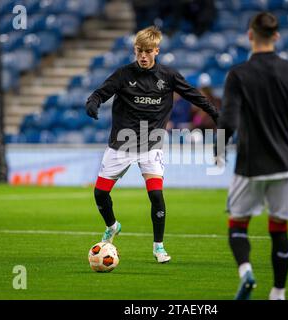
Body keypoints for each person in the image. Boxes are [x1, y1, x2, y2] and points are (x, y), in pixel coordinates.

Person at [85, 26, 218, 263]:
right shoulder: (123, 74)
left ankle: (158, 246)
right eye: (139, 51)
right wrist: (92, 103)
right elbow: (99, 94)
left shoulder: (168, 76)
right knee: (99, 193)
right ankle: (113, 226)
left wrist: (215, 114)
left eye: (147, 51)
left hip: (151, 144)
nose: (143, 56)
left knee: (156, 195)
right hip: (121, 144)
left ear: (156, 50)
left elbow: (194, 96)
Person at [216, 12, 288, 300]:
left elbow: (228, 121)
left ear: (250, 35)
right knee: (279, 228)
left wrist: (218, 151)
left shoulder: (238, 74)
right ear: (276, 36)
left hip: (251, 164)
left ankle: (246, 272)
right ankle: (278, 293)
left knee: (237, 224)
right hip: (287, 163)